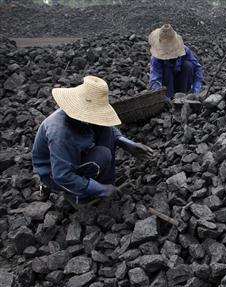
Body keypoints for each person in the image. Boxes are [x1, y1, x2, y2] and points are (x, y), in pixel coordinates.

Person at [32, 76, 154, 204]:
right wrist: (98, 189)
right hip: (54, 175)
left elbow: (108, 128)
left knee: (105, 129)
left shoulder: (79, 116)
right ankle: (79, 197)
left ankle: (106, 183)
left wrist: (127, 143)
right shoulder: (61, 133)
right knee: (103, 155)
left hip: (73, 157)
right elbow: (62, 176)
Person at [148, 24, 204, 99]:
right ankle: (170, 98)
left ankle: (182, 96)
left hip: (181, 82)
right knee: (167, 70)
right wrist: (160, 94)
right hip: (166, 85)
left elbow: (197, 68)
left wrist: (197, 87)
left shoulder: (184, 50)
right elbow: (155, 79)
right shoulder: (156, 58)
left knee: (188, 65)